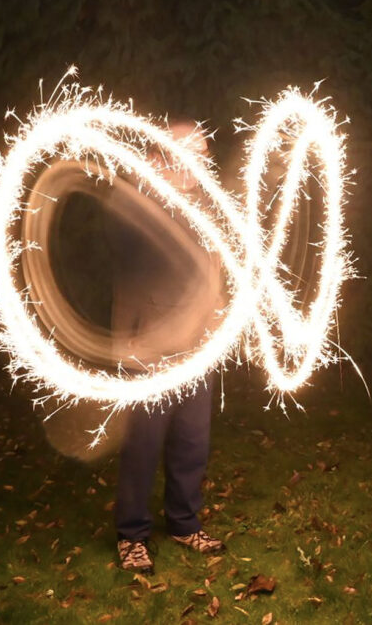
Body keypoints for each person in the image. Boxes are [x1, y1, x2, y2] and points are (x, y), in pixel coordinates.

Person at [111, 122, 225, 574]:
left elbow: (217, 266)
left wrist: (218, 313)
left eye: (203, 150)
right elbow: (126, 244)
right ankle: (132, 535)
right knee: (142, 445)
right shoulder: (141, 203)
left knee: (192, 443)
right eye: (188, 149)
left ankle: (183, 522)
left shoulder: (209, 208)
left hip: (197, 348)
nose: (199, 158)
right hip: (151, 348)